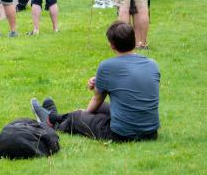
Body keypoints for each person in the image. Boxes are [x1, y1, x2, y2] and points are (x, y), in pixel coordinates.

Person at [30, 21, 160, 142]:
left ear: (112, 45)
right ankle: (55, 116)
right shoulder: (152, 64)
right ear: (134, 39)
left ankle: (50, 121)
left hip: (122, 134)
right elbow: (134, 84)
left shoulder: (107, 66)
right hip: (151, 132)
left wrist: (83, 114)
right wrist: (102, 80)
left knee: (77, 117)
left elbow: (97, 100)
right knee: (103, 109)